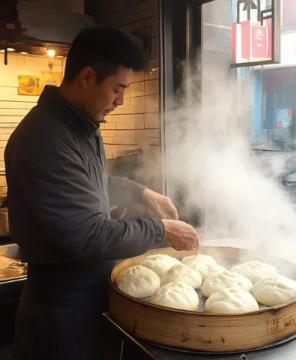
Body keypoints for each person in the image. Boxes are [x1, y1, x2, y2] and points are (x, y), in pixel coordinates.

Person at [5, 26, 199, 360]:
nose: (121, 101)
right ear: (87, 77)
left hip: (87, 297)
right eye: (117, 89)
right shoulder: (47, 139)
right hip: (61, 312)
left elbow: (90, 182)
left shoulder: (78, 126)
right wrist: (161, 230)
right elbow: (87, 236)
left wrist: (139, 193)